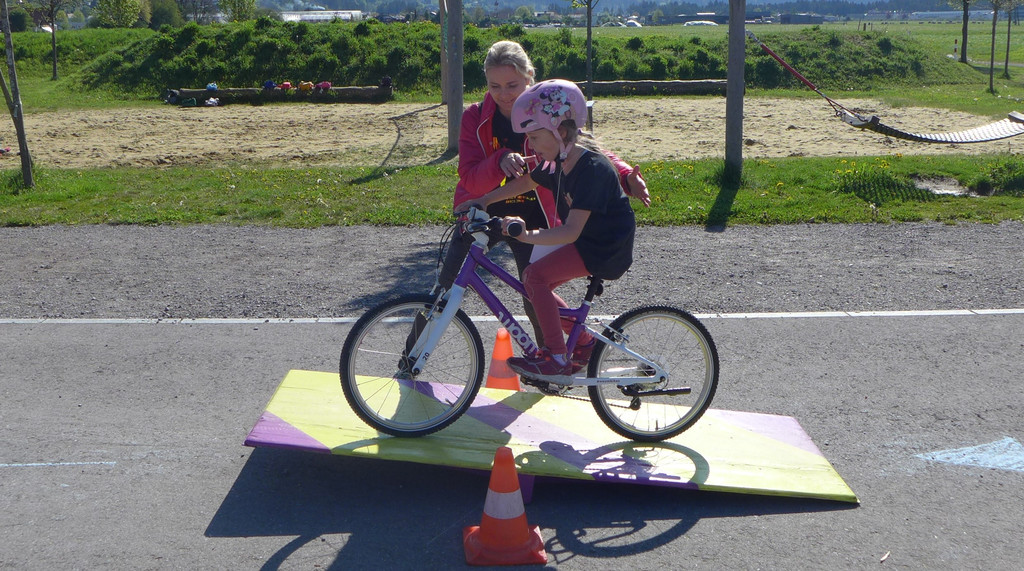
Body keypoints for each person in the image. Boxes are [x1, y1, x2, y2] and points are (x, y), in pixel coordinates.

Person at [441, 40, 648, 349]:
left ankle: (555, 357)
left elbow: (589, 151)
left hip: (538, 218)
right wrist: (498, 163)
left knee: (534, 293)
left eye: (512, 85)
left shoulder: (549, 109)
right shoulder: (477, 117)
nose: (503, 94)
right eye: (494, 86)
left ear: (529, 77)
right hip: (489, 212)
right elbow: (474, 178)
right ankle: (410, 360)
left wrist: (625, 175)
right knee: (444, 290)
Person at [458, 79, 636, 384]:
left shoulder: (591, 169)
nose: (532, 145)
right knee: (534, 282)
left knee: (535, 277)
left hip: (604, 247)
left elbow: (570, 232)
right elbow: (528, 181)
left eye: (535, 137)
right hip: (587, 240)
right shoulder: (559, 160)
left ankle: (556, 357)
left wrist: (525, 235)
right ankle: (583, 343)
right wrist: (484, 200)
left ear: (561, 132)